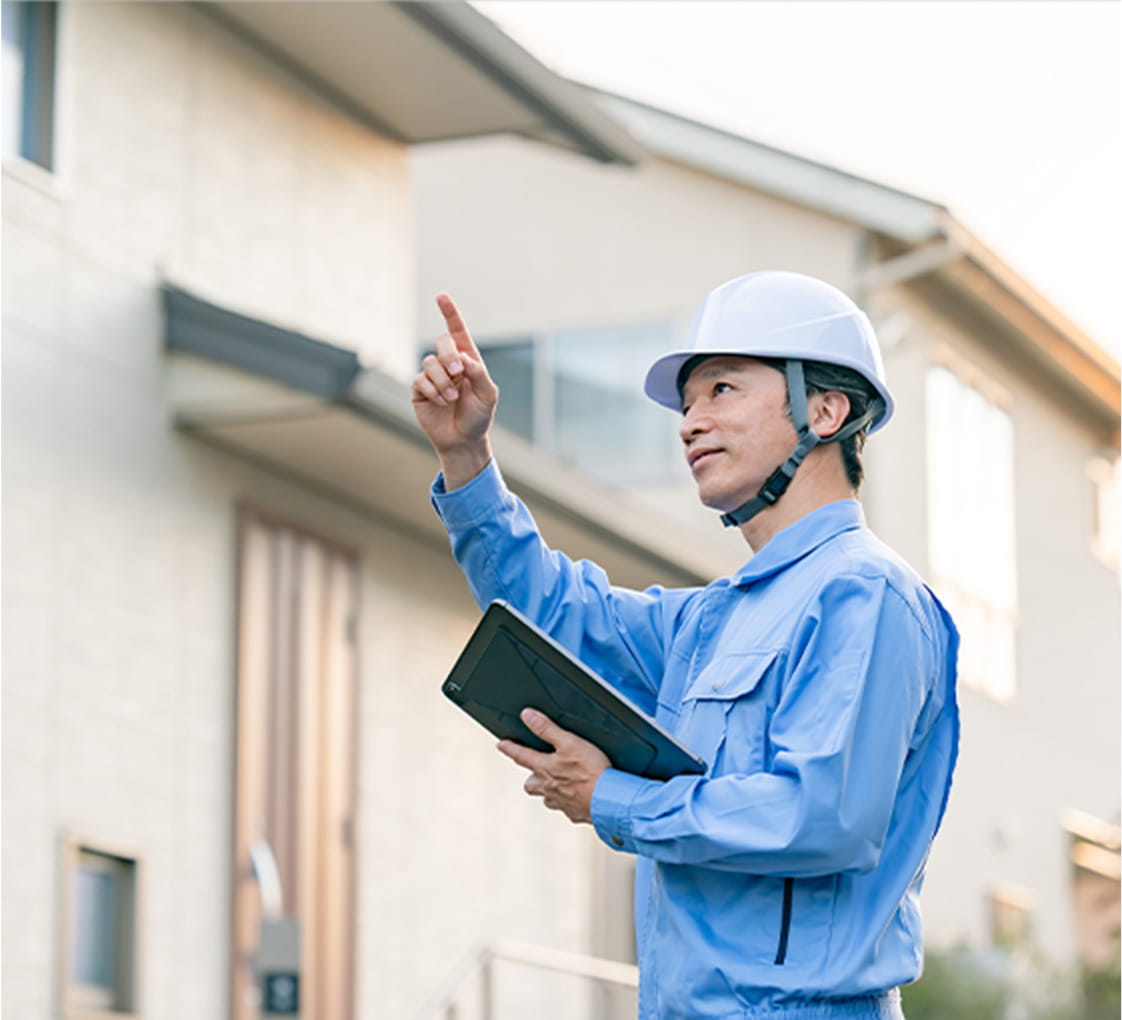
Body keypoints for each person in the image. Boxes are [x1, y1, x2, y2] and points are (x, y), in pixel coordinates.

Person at [411, 271, 959, 1020]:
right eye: (688, 401)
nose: (689, 422)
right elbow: (551, 612)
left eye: (722, 390)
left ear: (826, 410)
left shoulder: (865, 594)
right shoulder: (714, 619)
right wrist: (466, 457)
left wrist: (612, 797)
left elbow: (822, 816)